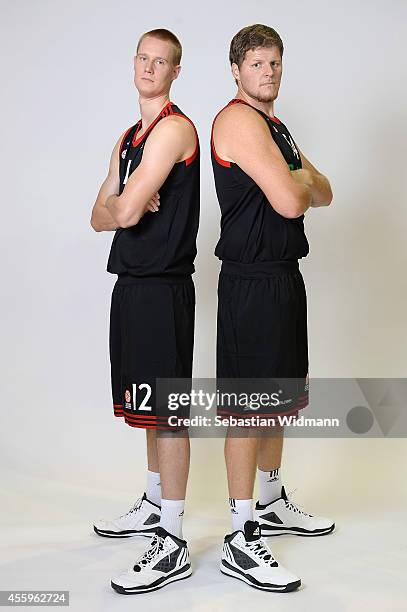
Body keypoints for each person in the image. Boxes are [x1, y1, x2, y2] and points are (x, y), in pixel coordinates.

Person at [211, 24, 335, 592]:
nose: (269, 72)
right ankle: (241, 534)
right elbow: (292, 200)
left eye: (275, 62)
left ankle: (271, 498)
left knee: (279, 400)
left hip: (285, 278)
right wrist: (297, 180)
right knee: (246, 407)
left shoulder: (275, 127)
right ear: (237, 70)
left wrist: (298, 177)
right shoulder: (237, 120)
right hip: (251, 282)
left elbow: (325, 189)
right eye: (257, 64)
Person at [90, 28, 199, 594]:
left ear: (175, 71)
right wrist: (124, 199)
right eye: (144, 58)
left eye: (162, 62)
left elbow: (125, 211)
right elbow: (98, 214)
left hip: (164, 286)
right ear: (134, 63)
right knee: (147, 407)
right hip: (131, 285)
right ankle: (156, 504)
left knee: (169, 413)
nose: (150, 68)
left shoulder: (174, 129)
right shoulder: (129, 137)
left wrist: (124, 201)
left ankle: (174, 539)